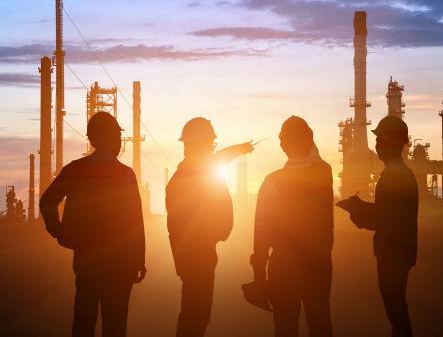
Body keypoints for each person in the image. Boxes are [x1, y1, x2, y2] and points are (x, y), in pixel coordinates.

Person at [39, 112, 146, 337]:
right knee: (115, 324)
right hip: (120, 264)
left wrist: (59, 232)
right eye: (117, 136)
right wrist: (138, 260)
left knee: (84, 321)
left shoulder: (76, 169)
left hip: (87, 260)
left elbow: (47, 202)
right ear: (113, 139)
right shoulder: (125, 175)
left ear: (93, 138)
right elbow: (136, 221)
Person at [166, 117, 254, 337]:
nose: (211, 148)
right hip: (199, 256)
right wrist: (219, 232)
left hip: (191, 257)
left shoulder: (182, 178)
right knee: (196, 316)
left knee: (194, 314)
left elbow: (219, 158)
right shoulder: (197, 176)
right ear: (200, 145)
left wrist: (239, 149)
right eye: (209, 144)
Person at [251, 116, 334, 337]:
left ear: (282, 146)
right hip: (318, 265)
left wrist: (259, 272)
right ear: (309, 140)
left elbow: (261, 231)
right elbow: (315, 158)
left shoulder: (271, 182)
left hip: (284, 268)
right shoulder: (324, 173)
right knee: (320, 325)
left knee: (286, 326)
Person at [339, 115, 418, 337]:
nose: (376, 145)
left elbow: (385, 218)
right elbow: (390, 213)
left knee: (396, 310)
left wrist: (357, 210)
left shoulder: (393, 176)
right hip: (400, 252)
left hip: (393, 253)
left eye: (380, 140)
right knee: (397, 308)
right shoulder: (402, 174)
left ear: (392, 143)